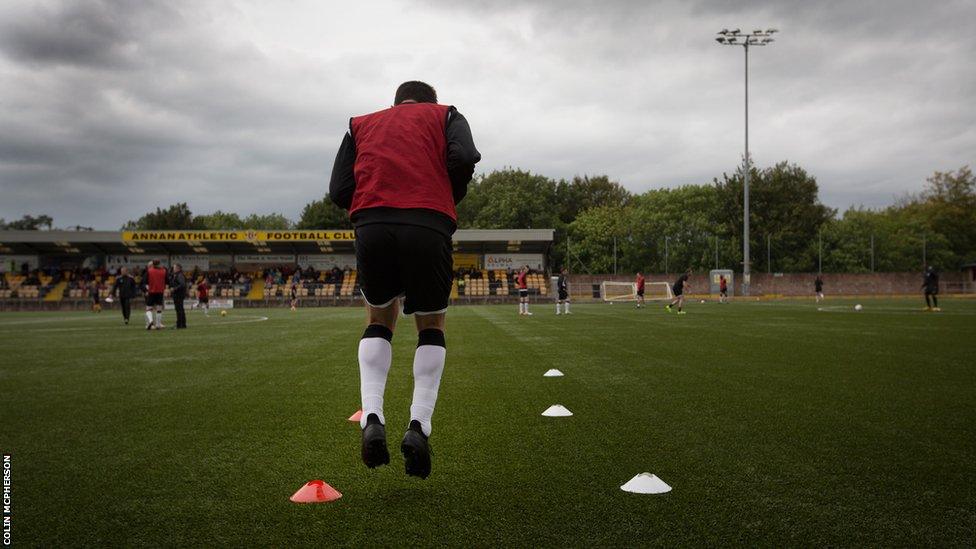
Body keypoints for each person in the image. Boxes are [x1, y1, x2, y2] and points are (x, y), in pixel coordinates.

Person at [328, 80, 480, 479]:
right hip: (428, 222)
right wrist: (447, 192)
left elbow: (339, 188)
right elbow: (463, 156)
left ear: (397, 103)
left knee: (379, 320)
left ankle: (372, 415)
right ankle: (418, 427)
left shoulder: (360, 124)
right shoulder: (446, 115)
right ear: (429, 102)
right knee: (431, 324)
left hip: (372, 223)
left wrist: (371, 205)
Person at [144, 259, 168, 330]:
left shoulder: (149, 271)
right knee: (159, 309)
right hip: (160, 292)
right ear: (159, 263)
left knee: (148, 308)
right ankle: (158, 324)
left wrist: (146, 290)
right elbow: (167, 281)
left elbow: (145, 281)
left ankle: (150, 322)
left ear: (153, 264)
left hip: (151, 291)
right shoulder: (164, 271)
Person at [171, 263, 187, 329]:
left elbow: (182, 284)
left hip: (178, 295)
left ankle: (179, 324)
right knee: (180, 309)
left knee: (179, 310)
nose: (173, 269)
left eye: (174, 268)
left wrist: (174, 289)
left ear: (178, 268)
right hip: (179, 295)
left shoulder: (179, 275)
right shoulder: (178, 275)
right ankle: (182, 324)